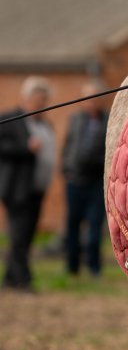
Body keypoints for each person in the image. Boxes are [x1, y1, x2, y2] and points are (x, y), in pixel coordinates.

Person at [0, 77, 56, 291]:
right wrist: (25, 147)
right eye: (38, 100)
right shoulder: (10, 119)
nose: (41, 105)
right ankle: (23, 279)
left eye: (44, 100)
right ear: (26, 98)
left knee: (27, 234)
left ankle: (10, 278)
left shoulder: (44, 123)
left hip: (36, 189)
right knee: (20, 235)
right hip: (16, 189)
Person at [61, 81, 109, 276]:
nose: (91, 102)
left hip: (97, 182)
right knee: (72, 225)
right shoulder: (76, 119)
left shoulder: (108, 120)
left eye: (95, 98)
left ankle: (94, 267)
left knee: (95, 226)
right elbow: (68, 146)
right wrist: (66, 170)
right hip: (75, 181)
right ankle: (72, 267)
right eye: (88, 98)